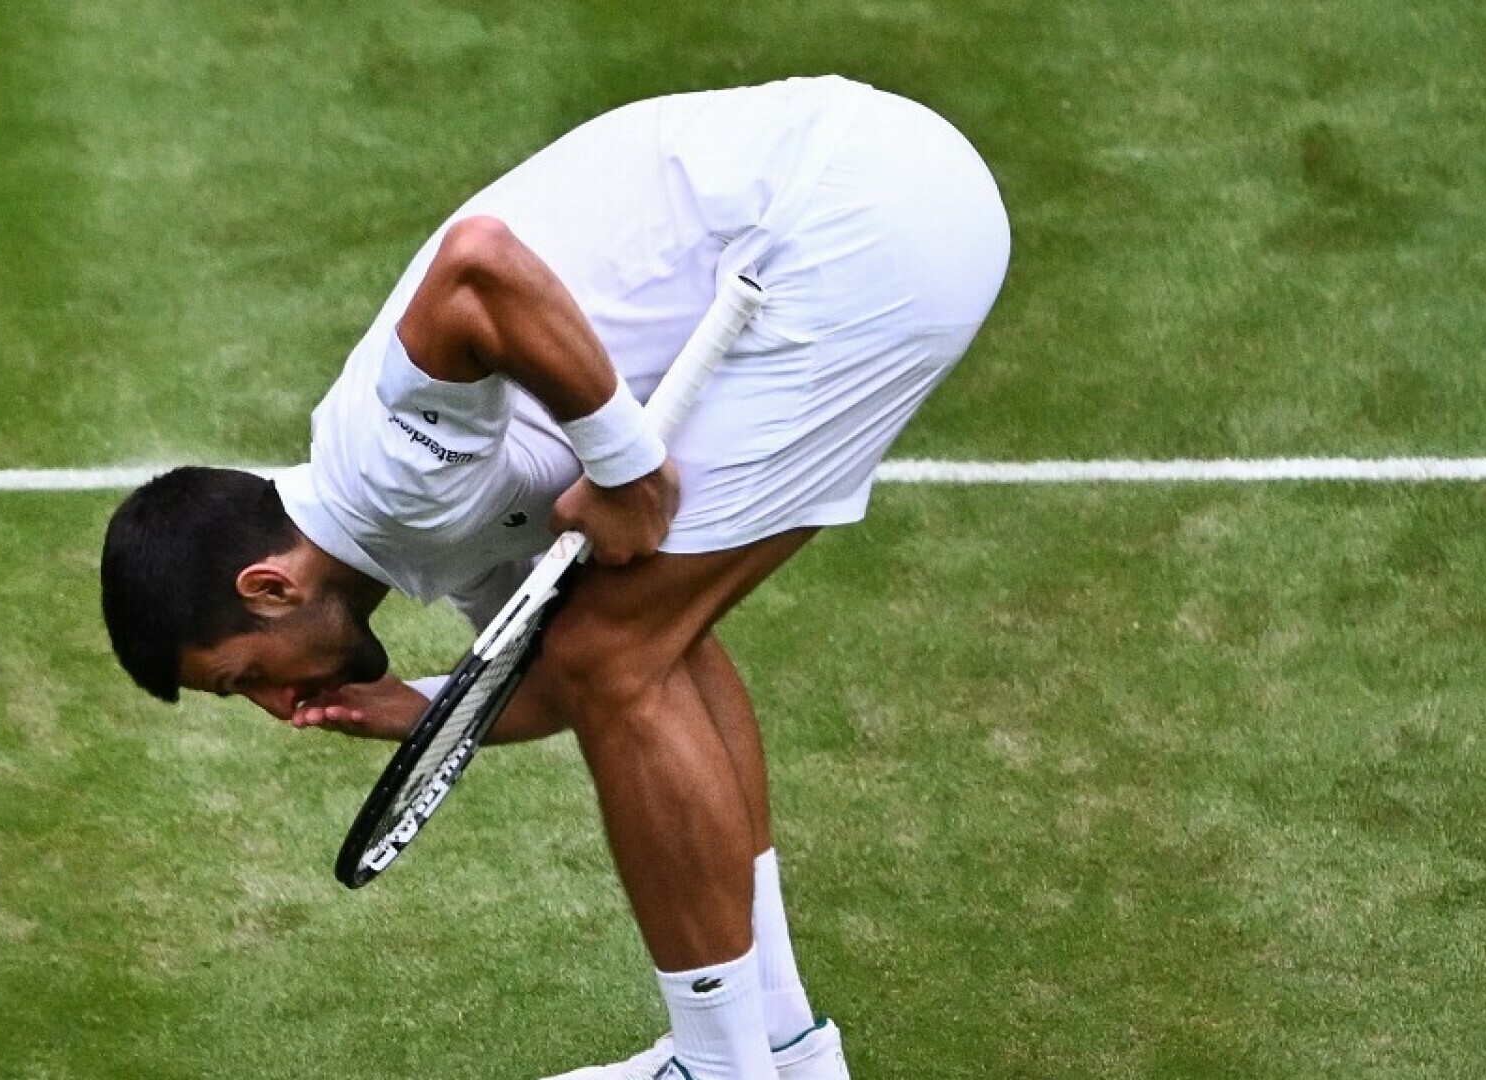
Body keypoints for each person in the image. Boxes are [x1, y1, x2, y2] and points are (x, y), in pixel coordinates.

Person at [100, 75, 1008, 1080]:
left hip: (852, 220)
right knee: (644, 646)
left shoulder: (388, 472)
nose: (278, 705)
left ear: (269, 588)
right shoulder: (420, 535)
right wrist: (421, 707)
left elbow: (475, 270)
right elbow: (563, 684)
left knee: (622, 651)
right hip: (906, 207)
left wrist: (622, 466)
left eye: (246, 678)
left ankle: (720, 1067)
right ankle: (784, 1045)